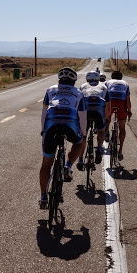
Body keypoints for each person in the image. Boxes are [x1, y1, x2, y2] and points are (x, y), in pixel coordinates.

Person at [39, 67, 87, 209]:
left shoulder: (50, 90)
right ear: (73, 82)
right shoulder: (79, 93)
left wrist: (43, 131)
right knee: (79, 143)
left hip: (51, 124)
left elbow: (44, 113)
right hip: (70, 123)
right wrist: (83, 134)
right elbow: (83, 117)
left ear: (59, 81)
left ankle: (43, 197)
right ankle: (67, 166)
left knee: (46, 164)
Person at [76, 70, 110, 169]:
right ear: (98, 79)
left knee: (83, 136)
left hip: (86, 111)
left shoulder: (82, 86)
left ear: (87, 79)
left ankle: (80, 159)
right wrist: (106, 118)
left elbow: (78, 103)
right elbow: (108, 106)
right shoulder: (104, 87)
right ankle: (99, 148)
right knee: (101, 130)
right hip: (98, 111)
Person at [105, 70, 131, 161]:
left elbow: (104, 96)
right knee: (122, 127)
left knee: (107, 117)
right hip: (121, 102)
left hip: (111, 100)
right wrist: (129, 111)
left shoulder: (108, 82)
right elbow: (128, 100)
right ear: (121, 77)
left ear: (112, 77)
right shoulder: (125, 83)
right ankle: (120, 151)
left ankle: (106, 131)